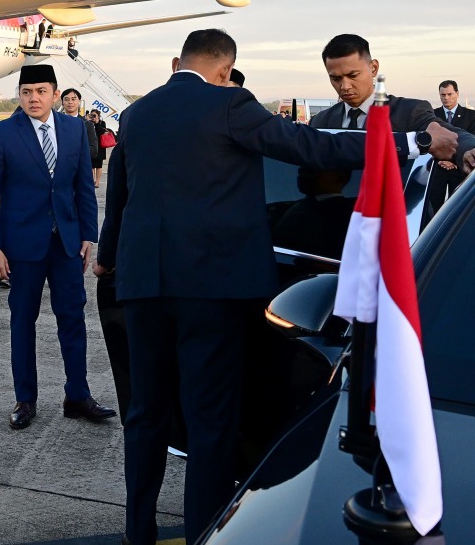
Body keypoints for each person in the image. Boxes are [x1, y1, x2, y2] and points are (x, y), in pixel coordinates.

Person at [95, 28, 462, 545]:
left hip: (141, 286)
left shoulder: (136, 114)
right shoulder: (231, 104)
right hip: (210, 291)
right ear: (226, 70)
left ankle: (138, 533)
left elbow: (120, 195)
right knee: (210, 421)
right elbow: (311, 147)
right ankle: (202, 534)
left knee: (146, 414)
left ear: (179, 62)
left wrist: (107, 260)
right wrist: (415, 142)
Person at [0, 64, 116, 430]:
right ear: (19, 96)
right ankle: (25, 399)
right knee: (23, 321)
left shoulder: (74, 129)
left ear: (55, 94)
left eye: (40, 91)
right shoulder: (2, 134)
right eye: (26, 92)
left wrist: (88, 235)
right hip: (21, 247)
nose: (33, 98)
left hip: (66, 243)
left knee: (73, 319)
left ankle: (77, 395)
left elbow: (83, 186)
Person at [309, 34, 474, 166]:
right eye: (336, 79)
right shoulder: (320, 122)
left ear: (374, 68)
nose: (345, 86)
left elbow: (452, 135)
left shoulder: (408, 113)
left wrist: (470, 150)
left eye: (353, 75)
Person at [428, 80, 475, 214]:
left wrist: (454, 160)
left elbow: (472, 139)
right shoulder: (432, 116)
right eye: (443, 95)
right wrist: (441, 160)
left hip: (461, 171)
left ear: (457, 94)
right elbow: (428, 141)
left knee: (458, 210)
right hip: (438, 170)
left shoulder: (471, 116)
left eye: (450, 94)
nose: (446, 98)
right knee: (434, 210)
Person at [61, 88, 99, 163]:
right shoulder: (55, 122)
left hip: (79, 166)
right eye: (66, 99)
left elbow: (94, 151)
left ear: (79, 102)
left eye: (73, 99)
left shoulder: (87, 125)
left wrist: (72, 148)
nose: (70, 102)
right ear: (62, 103)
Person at [88, 110, 108, 187]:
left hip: (100, 146)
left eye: (94, 115)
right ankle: (92, 180)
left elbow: (101, 132)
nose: (93, 117)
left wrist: (97, 123)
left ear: (98, 116)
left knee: (99, 165)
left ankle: (97, 182)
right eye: (92, 115)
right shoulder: (89, 123)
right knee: (92, 165)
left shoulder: (102, 123)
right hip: (92, 145)